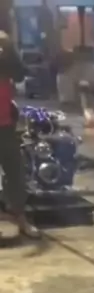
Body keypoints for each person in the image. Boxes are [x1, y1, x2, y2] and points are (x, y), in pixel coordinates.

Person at [0, 30, 39, 239]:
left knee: (15, 173)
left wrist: (7, 46)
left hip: (5, 126)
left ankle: (21, 218)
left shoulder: (3, 53)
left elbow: (19, 73)